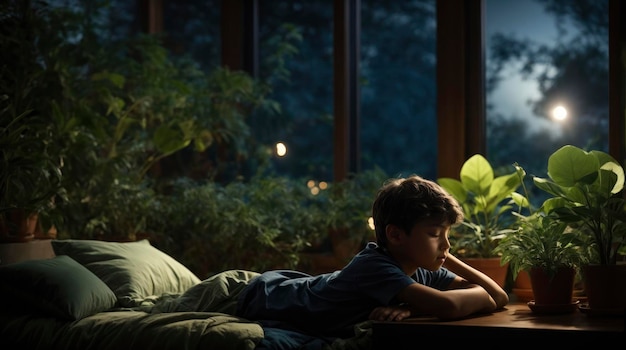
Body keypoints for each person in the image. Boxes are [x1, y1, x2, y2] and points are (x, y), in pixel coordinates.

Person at [233, 174, 509, 338]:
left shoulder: (420, 268)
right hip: (259, 293)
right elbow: (449, 307)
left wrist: (443, 258)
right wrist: (421, 304)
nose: (446, 243)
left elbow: (497, 297)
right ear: (396, 235)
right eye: (435, 234)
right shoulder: (375, 266)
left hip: (284, 288)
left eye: (447, 233)